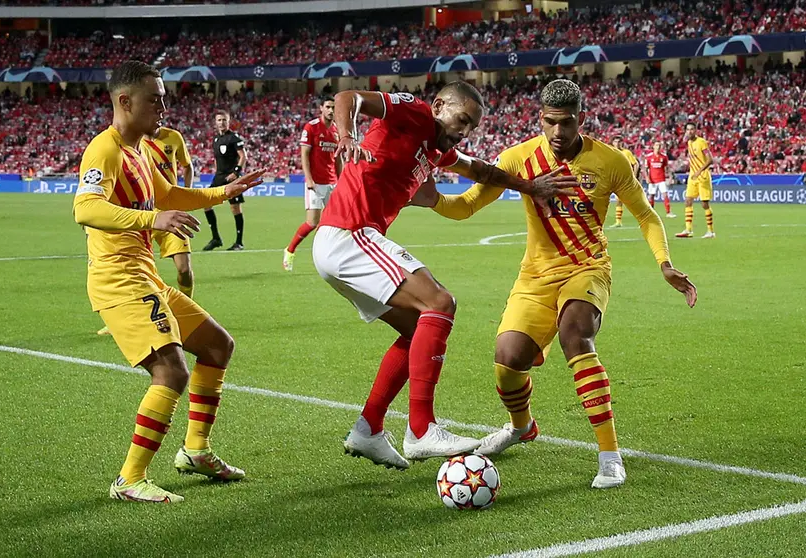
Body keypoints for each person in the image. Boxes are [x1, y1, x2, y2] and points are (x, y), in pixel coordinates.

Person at [411, 79, 697, 488]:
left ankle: (609, 455)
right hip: (535, 276)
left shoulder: (610, 161)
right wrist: (435, 200)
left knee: (575, 334)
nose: (559, 133)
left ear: (581, 119)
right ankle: (521, 426)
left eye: (567, 123)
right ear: (540, 119)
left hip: (588, 268)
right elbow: (470, 203)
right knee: (507, 362)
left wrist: (665, 264)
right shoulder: (517, 158)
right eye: (551, 123)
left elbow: (647, 216)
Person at [312, 82, 577, 469]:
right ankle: (421, 429)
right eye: (462, 119)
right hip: (349, 233)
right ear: (439, 105)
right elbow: (347, 98)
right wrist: (348, 136)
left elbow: (480, 170)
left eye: (471, 127)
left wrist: (529, 186)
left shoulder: (438, 150)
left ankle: (368, 428)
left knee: (417, 328)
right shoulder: (414, 112)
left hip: (349, 241)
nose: (464, 130)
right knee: (440, 302)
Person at [73, 60, 264, 503]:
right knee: (170, 370)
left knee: (218, 345)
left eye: (163, 97)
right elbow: (86, 208)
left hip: (144, 275)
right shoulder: (105, 149)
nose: (164, 106)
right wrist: (152, 217)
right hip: (118, 280)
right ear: (125, 101)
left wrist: (225, 192)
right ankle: (130, 479)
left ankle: (196, 451)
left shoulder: (140, 148)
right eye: (155, 99)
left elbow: (171, 195)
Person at [96, 125, 195, 336]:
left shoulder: (173, 137)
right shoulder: (133, 142)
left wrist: (185, 193)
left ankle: (185, 313)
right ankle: (118, 320)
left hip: (170, 212)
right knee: (136, 272)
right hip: (141, 213)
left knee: (184, 270)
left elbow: (187, 166)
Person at [283, 95, 342, 271]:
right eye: (328, 107)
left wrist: (342, 180)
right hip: (315, 183)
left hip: (332, 182)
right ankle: (290, 250)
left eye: (334, 108)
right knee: (312, 222)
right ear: (321, 108)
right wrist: (308, 178)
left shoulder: (337, 131)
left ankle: (324, 258)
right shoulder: (312, 127)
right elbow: (304, 154)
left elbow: (337, 160)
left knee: (333, 223)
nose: (331, 110)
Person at [203, 109, 248, 251]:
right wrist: (217, 173)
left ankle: (239, 243)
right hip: (219, 176)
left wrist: (236, 172)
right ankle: (216, 238)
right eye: (219, 120)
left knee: (235, 208)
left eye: (224, 120)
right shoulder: (215, 140)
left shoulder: (234, 138)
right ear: (215, 123)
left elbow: (243, 156)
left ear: (229, 122)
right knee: (206, 203)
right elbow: (217, 159)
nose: (222, 123)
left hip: (232, 178)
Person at [676, 122, 715, 238]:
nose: (690, 131)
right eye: (688, 129)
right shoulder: (689, 143)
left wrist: (699, 171)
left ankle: (710, 231)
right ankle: (688, 230)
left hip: (702, 176)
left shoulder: (701, 142)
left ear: (696, 130)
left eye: (692, 129)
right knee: (688, 201)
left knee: (704, 204)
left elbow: (710, 160)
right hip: (693, 176)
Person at [608, 136, 640, 228]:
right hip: (617, 180)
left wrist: (633, 176)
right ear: (612, 143)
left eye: (619, 142)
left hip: (627, 180)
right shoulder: (611, 153)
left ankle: (643, 220)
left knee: (633, 201)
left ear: (621, 143)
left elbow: (636, 164)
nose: (617, 143)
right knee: (619, 201)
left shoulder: (626, 152)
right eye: (615, 142)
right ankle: (618, 222)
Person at [644, 140, 676, 218]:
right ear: (653, 146)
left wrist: (670, 177)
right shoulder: (649, 157)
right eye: (657, 145)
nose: (658, 147)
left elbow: (667, 168)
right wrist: (647, 177)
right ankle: (650, 213)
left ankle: (668, 212)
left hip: (661, 179)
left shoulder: (664, 157)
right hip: (652, 180)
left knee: (665, 194)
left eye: (659, 145)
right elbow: (645, 168)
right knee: (651, 196)